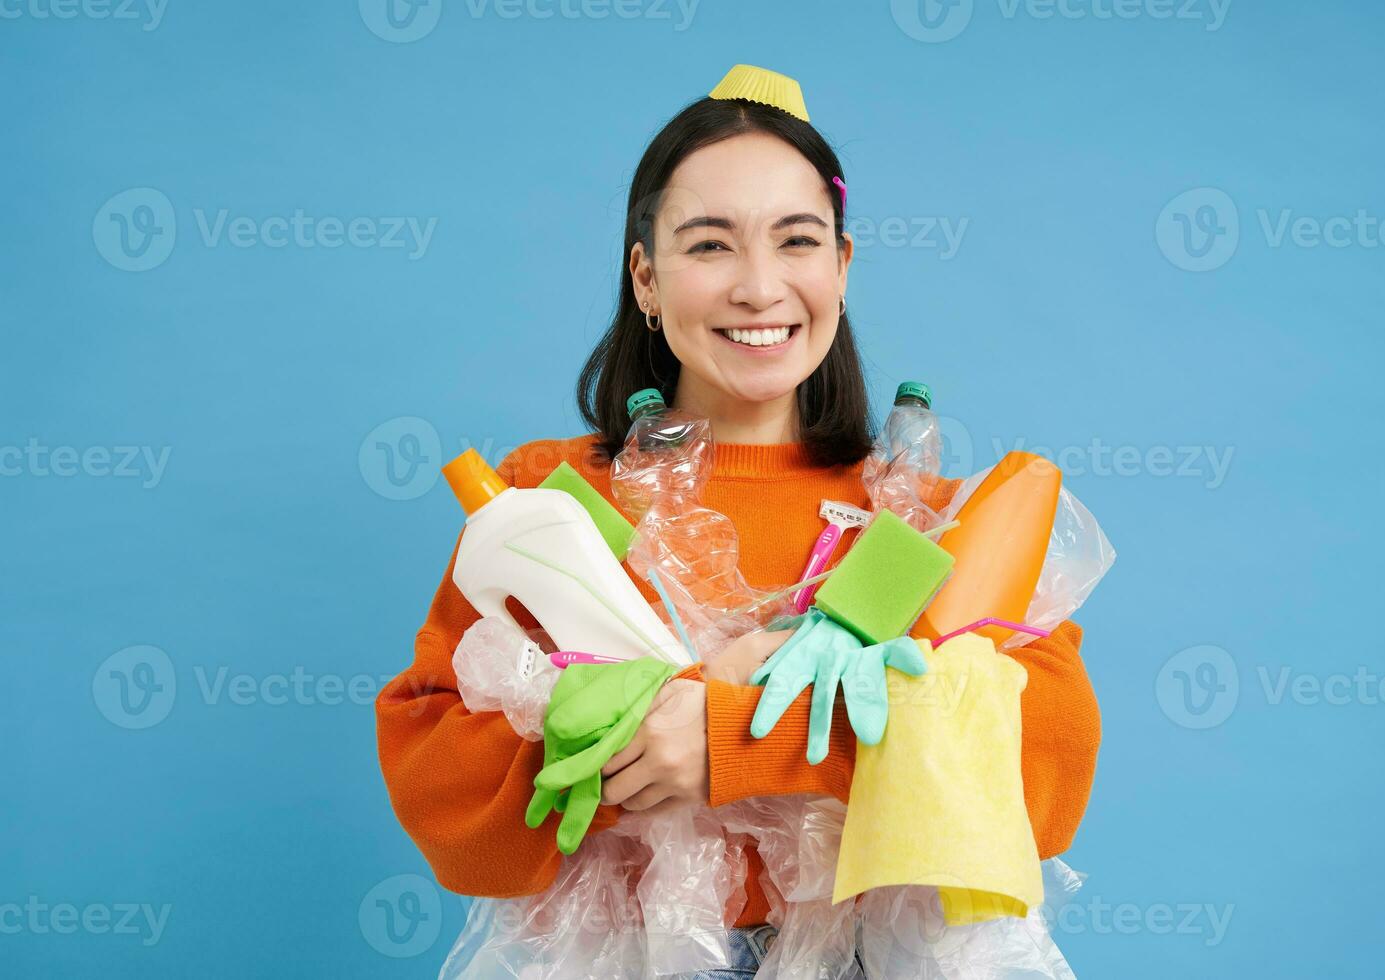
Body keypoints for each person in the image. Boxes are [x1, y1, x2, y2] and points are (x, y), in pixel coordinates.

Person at [376, 64, 1101, 978]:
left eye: (797, 241)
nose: (760, 288)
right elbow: (440, 788)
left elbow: (1042, 781)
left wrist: (734, 739)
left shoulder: (926, 523)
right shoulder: (552, 501)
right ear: (646, 276)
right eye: (710, 246)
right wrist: (623, 758)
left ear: (842, 266)